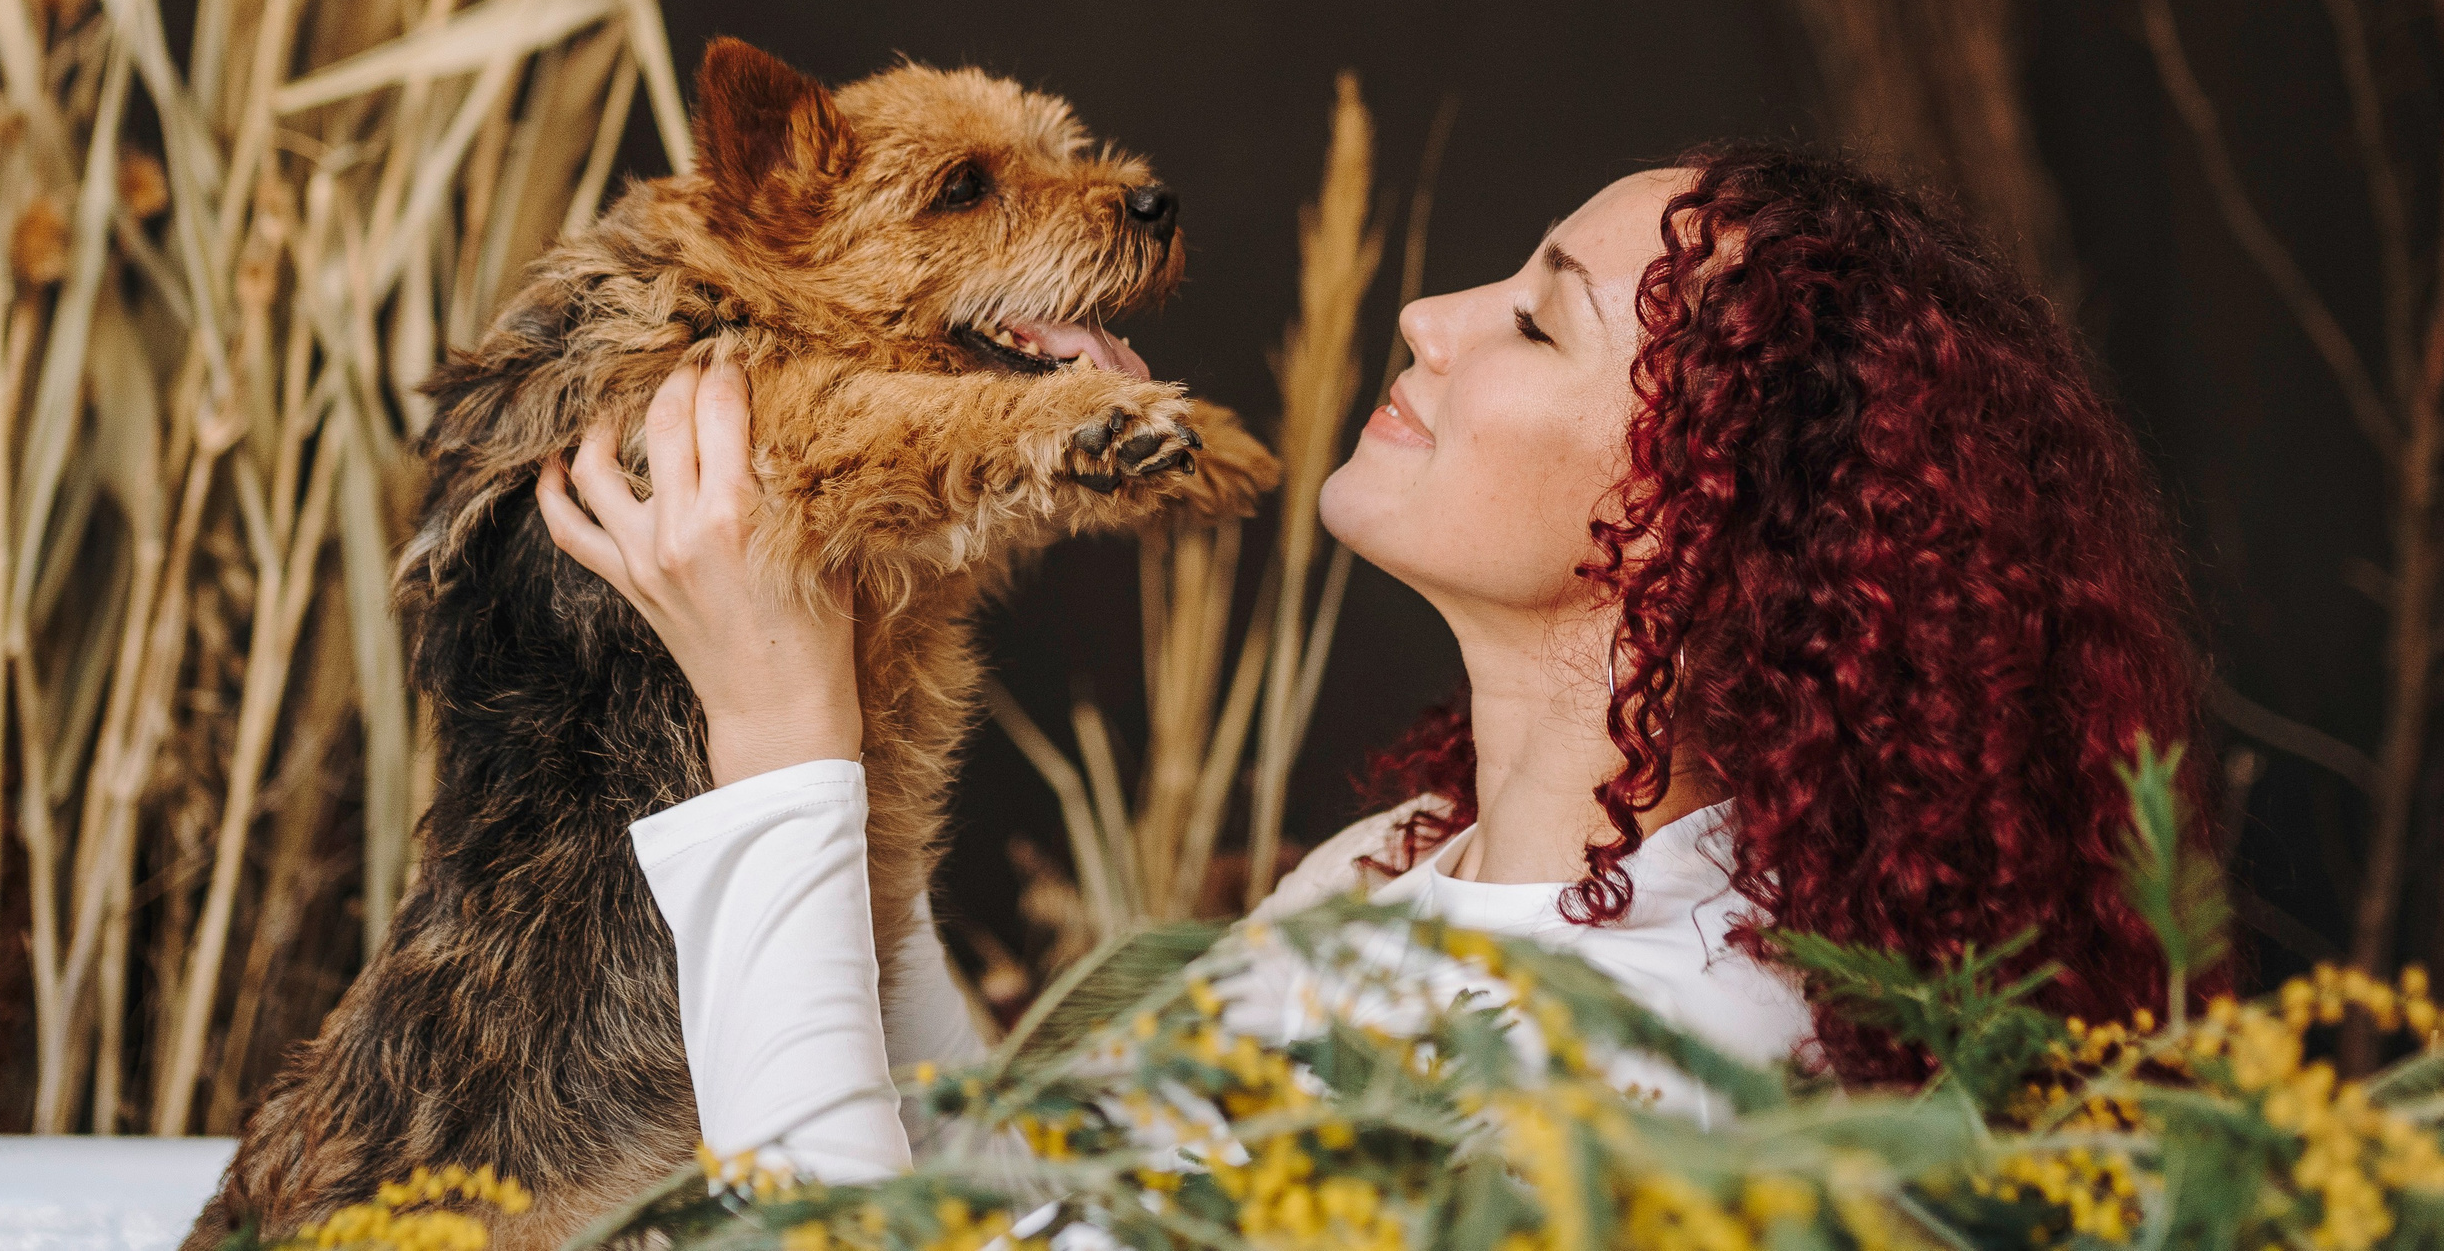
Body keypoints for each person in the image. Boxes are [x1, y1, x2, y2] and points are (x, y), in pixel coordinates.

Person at [534, 143, 2207, 1179]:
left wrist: (775, 728)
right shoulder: (1409, 869)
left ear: (1706, 520)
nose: (1431, 313)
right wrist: (849, 723)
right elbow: (1013, 1201)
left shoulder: (1650, 1085)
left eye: (1541, 320)